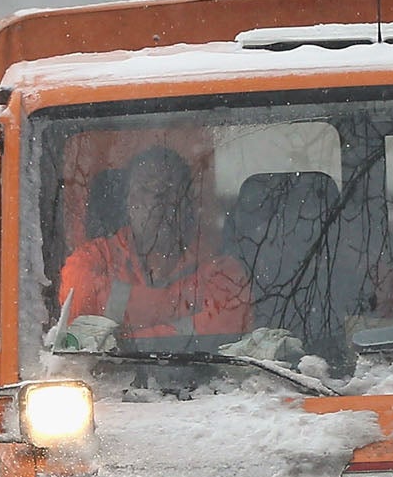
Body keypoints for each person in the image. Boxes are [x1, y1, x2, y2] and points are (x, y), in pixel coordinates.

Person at [57, 145, 252, 342]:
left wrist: (120, 339)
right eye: (145, 188)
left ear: (187, 203)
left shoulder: (225, 272)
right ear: (128, 201)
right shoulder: (92, 260)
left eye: (169, 189)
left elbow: (223, 334)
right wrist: (183, 304)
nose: (155, 200)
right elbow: (77, 318)